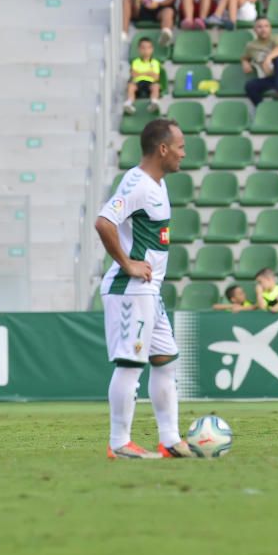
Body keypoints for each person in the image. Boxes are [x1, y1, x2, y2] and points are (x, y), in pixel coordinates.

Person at [95, 118, 191, 459]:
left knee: (164, 360)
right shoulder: (137, 184)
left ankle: (169, 440)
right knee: (131, 365)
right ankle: (119, 442)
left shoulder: (157, 183)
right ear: (162, 149)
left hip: (149, 291)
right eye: (179, 146)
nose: (184, 153)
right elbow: (104, 222)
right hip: (131, 289)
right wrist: (127, 263)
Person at [123, 37, 162, 115]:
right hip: (138, 83)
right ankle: (129, 103)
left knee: (156, 86)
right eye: (143, 48)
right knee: (131, 86)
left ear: (152, 49)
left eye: (148, 48)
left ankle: (154, 102)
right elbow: (133, 75)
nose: (145, 50)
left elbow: (156, 77)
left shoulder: (155, 62)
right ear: (139, 49)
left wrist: (140, 73)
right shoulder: (135, 62)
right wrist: (149, 73)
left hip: (150, 83)